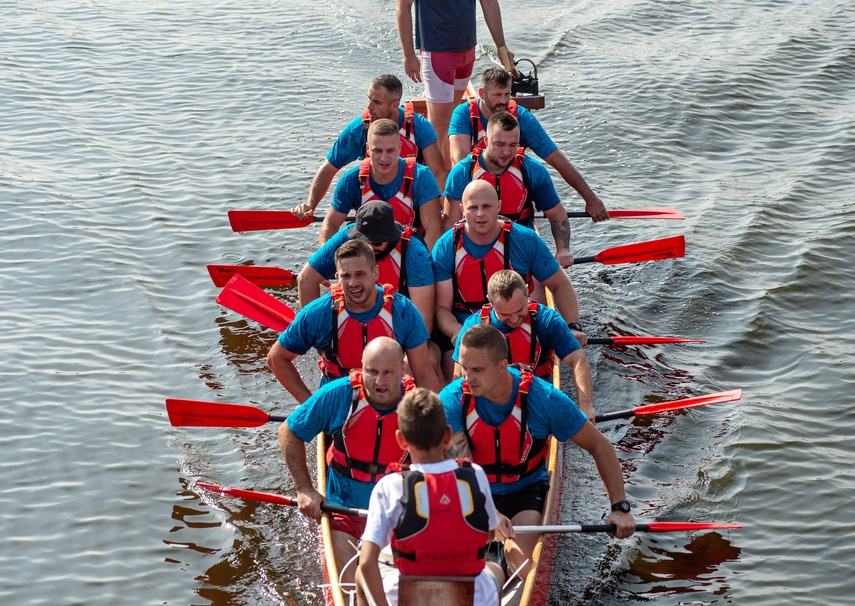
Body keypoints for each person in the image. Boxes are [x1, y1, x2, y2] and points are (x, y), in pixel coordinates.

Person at [441, 324, 636, 578]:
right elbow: (460, 472)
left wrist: (620, 508)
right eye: (465, 369)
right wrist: (490, 513)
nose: (467, 378)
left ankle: (506, 557)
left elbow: (599, 445)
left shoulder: (544, 399)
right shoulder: (452, 399)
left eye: (477, 370)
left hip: (523, 490)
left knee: (521, 563)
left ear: (502, 365)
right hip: (473, 492)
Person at [280, 337, 417, 585]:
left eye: (388, 373)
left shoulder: (418, 405)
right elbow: (289, 431)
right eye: (372, 372)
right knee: (349, 586)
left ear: (403, 370)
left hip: (397, 510)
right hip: (343, 509)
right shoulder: (338, 394)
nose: (379, 381)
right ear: (361, 367)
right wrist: (304, 489)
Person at [355, 387, 509, 606]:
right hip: (467, 596)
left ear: (401, 440)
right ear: (447, 435)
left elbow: (367, 563)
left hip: (410, 597)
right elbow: (488, 536)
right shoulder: (475, 474)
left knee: (361, 575)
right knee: (495, 569)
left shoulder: (389, 485)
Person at [431, 180, 583, 381]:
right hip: (465, 327)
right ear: (461, 210)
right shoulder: (445, 247)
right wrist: (461, 333)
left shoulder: (525, 239)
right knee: (456, 376)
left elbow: (559, 284)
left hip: (517, 319)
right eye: (473, 208)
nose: (480, 214)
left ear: (499, 207)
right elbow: (441, 308)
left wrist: (572, 325)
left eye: (487, 206)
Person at [267, 239, 440, 404]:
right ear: (337, 277)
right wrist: (310, 405)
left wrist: (427, 419)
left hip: (388, 400)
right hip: (339, 403)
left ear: (375, 273)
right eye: (346, 276)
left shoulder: (403, 310)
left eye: (360, 274)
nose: (353, 283)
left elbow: (424, 374)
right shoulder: (318, 313)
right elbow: (277, 358)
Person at [449, 66, 609, 222]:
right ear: (482, 94)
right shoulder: (463, 114)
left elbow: (556, 158)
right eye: (497, 95)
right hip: (475, 194)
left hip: (509, 194)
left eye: (507, 94)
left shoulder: (522, 118)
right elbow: (460, 161)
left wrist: (590, 198)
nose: (503, 101)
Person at [291, 74, 448, 222]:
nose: (369, 107)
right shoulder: (358, 130)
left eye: (377, 103)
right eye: (369, 99)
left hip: (412, 208)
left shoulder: (419, 126)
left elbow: (438, 172)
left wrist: (443, 210)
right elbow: (329, 168)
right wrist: (310, 206)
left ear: (395, 105)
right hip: (371, 213)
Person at [452, 270, 595, 420]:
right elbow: (458, 379)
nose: (514, 319)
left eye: (520, 310)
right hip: (491, 401)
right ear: (490, 301)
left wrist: (585, 406)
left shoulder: (546, 319)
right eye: (505, 314)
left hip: (537, 394)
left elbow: (578, 360)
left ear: (527, 292)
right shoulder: (472, 327)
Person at [443, 111, 574, 267]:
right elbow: (450, 223)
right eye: (499, 144)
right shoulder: (462, 172)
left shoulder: (532, 170)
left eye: (513, 145)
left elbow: (557, 214)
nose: (506, 152)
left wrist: (563, 249)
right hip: (476, 249)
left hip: (519, 248)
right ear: (485, 140)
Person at [396, 0, 515, 168]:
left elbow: (489, 3)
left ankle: (448, 168)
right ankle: (435, 182)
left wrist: (501, 46)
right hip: (437, 51)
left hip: (467, 51)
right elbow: (403, 6)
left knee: (451, 116)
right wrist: (409, 55)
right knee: (439, 123)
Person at [297, 201, 435, 333]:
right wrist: (317, 335)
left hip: (400, 321)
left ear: (391, 235)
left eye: (376, 241)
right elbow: (305, 279)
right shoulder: (346, 236)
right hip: (357, 317)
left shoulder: (415, 253)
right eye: (364, 241)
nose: (370, 247)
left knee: (431, 356)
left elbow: (424, 321)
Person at [316, 118, 444, 250]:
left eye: (390, 151)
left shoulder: (421, 176)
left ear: (400, 148)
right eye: (377, 151)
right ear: (367, 149)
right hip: (367, 256)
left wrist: (420, 261)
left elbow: (434, 229)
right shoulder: (351, 179)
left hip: (410, 252)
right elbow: (330, 224)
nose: (384, 158)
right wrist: (329, 260)